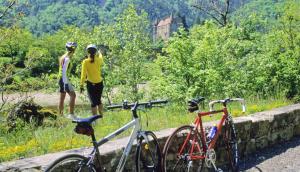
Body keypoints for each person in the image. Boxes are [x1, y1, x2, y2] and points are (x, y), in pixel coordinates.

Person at [80, 44, 104, 116]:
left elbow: (83, 75)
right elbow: (101, 57)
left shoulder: (85, 61)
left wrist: (81, 85)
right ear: (95, 51)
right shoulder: (99, 60)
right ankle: (101, 117)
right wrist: (99, 53)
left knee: (93, 103)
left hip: (91, 84)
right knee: (99, 101)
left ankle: (95, 120)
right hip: (100, 83)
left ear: (88, 52)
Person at [58, 42, 77, 119]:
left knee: (62, 97)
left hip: (61, 79)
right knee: (73, 95)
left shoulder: (63, 57)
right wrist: (66, 83)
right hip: (64, 79)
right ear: (74, 50)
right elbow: (64, 71)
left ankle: (60, 115)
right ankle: (71, 115)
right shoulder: (67, 59)